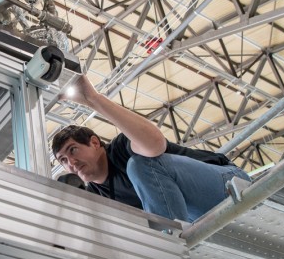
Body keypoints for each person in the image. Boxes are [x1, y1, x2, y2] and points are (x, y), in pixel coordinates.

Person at [52, 74, 250, 223]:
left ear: (95, 143)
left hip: (225, 185)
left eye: (73, 150)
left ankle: (169, 245)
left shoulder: (121, 148)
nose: (71, 162)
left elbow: (155, 144)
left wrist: (93, 99)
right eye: (63, 160)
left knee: (139, 165)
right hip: (194, 217)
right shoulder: (97, 196)